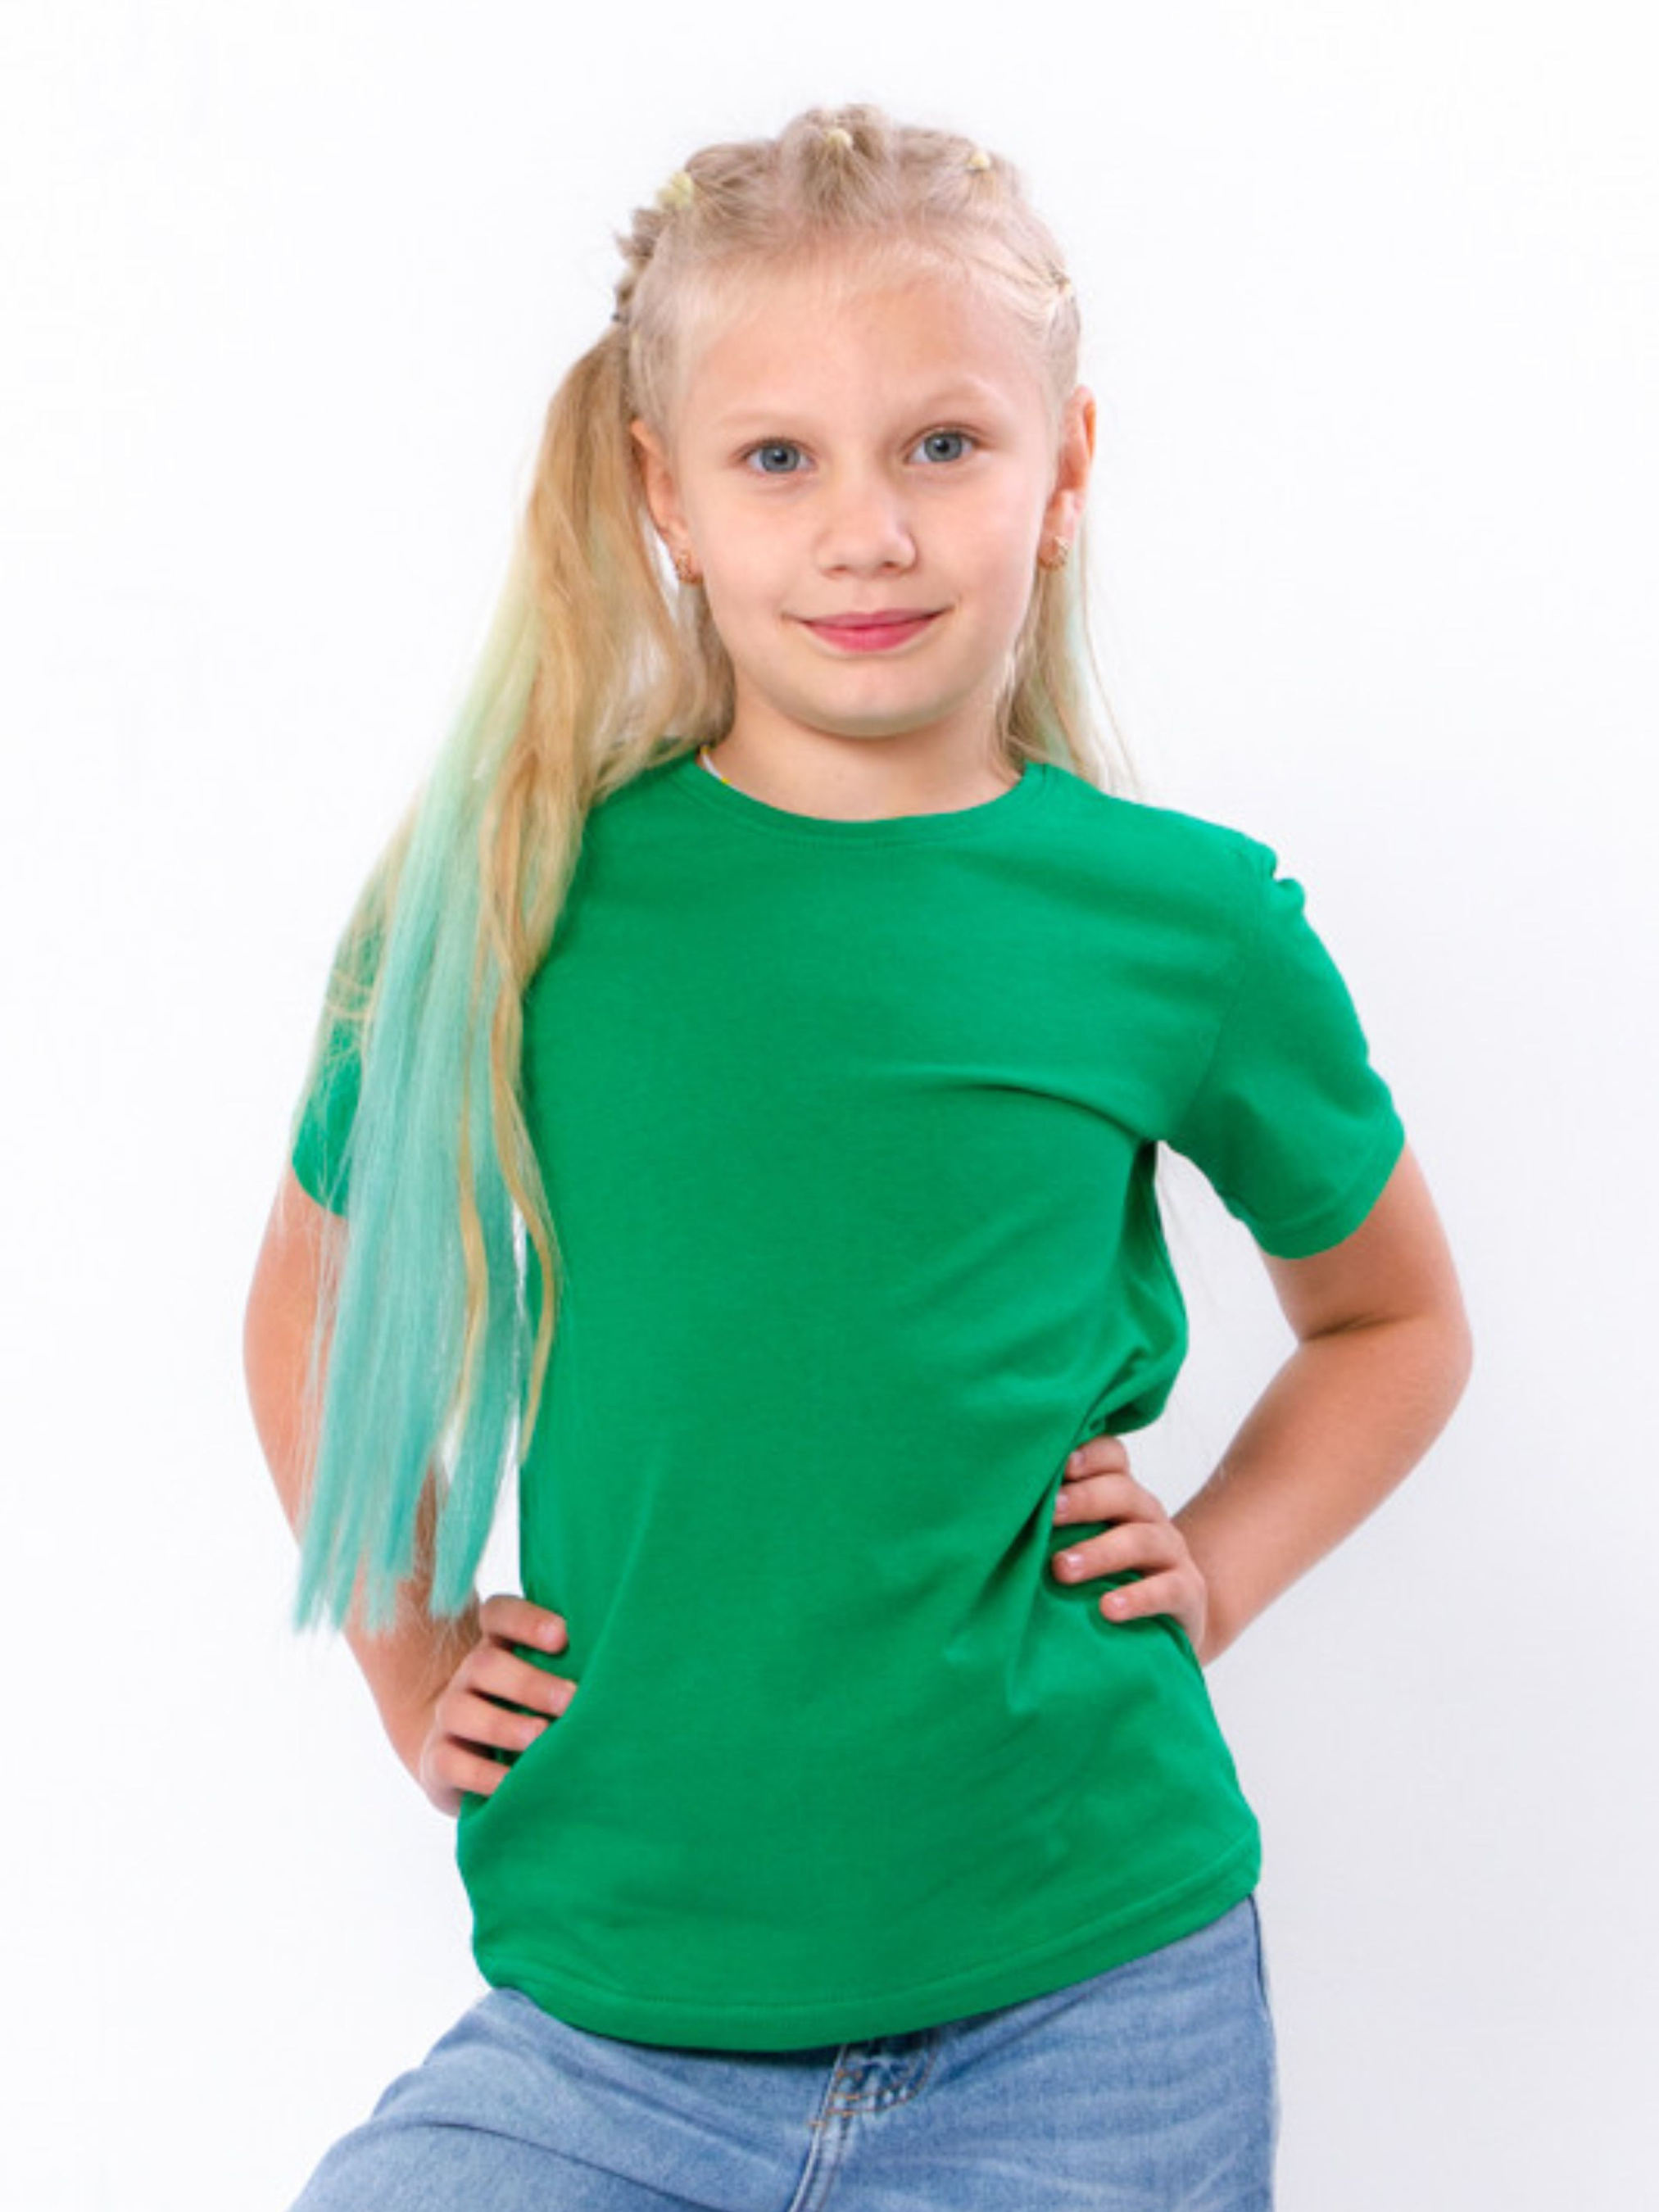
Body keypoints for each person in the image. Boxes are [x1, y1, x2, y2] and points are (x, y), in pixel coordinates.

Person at [243, 102, 1473, 2211]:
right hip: (606, 2029)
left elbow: (1390, 1318)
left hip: (1090, 2014)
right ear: (665, 493)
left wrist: (1219, 1566)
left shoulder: (1180, 926)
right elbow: (313, 1292)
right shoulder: (510, 904)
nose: (867, 532)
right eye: (777, 459)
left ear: (1062, 472)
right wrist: (408, 1648)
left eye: (942, 445)